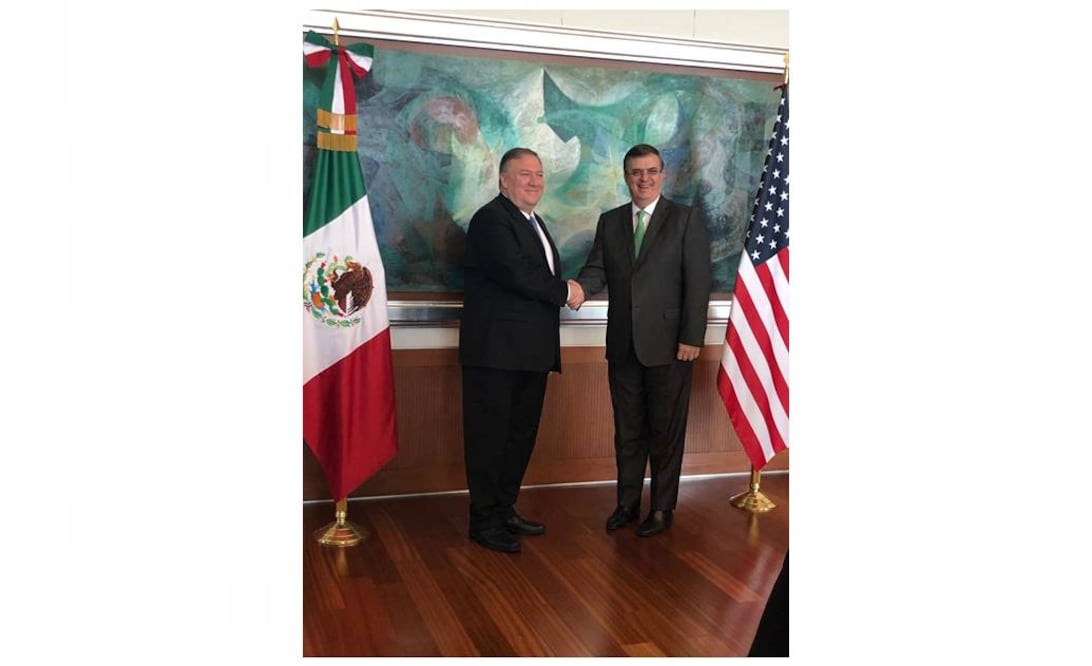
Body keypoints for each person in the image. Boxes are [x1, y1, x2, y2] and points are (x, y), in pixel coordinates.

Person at [569, 143, 712, 537]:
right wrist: (576, 289)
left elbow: (698, 284)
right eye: (635, 172)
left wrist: (691, 337)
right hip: (623, 346)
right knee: (627, 432)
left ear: (663, 174)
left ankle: (663, 508)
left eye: (651, 171)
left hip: (671, 347)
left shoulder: (685, 220)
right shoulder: (610, 221)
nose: (643, 178)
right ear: (626, 176)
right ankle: (627, 505)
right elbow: (596, 270)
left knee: (665, 433)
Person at [459, 147, 582, 553]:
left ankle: (504, 508)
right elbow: (516, 273)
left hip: (529, 353)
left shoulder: (532, 221)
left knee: (518, 437)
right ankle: (484, 521)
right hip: (495, 354)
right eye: (525, 174)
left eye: (539, 174)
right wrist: (566, 291)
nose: (534, 181)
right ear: (503, 180)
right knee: (489, 439)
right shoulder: (490, 220)